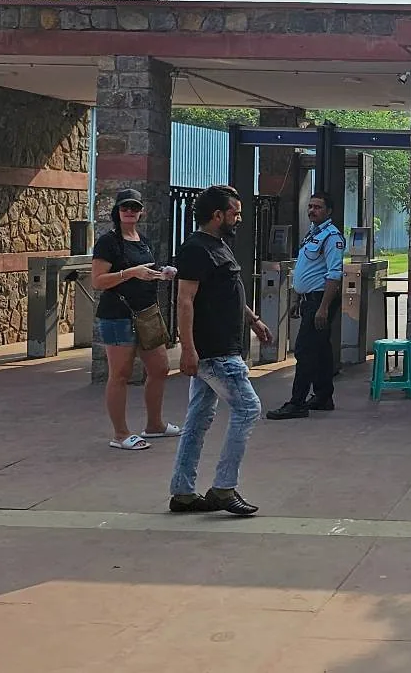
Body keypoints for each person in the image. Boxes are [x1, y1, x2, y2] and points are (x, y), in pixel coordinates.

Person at [168, 184, 273, 515]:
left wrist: (253, 320)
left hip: (220, 348)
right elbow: (184, 301)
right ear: (217, 215)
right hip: (214, 352)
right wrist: (188, 350)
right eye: (235, 213)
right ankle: (224, 488)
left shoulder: (218, 246)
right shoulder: (196, 249)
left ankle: (183, 492)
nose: (239, 219)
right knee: (248, 408)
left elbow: (228, 290)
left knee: (198, 417)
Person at [89, 189, 178, 451]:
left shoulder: (143, 241)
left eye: (134, 207)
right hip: (118, 315)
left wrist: (161, 274)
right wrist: (129, 273)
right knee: (121, 373)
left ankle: (155, 425)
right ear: (117, 211)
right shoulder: (108, 242)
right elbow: (98, 281)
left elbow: (145, 272)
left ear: (141, 211)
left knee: (160, 368)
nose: (130, 211)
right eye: (125, 207)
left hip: (147, 313)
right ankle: (120, 433)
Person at [267, 191, 346, 420]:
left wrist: (323, 307)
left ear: (328, 211)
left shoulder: (331, 237)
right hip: (308, 299)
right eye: (310, 206)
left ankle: (297, 402)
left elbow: (334, 274)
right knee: (320, 349)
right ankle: (323, 396)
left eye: (318, 207)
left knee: (304, 350)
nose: (312, 210)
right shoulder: (313, 235)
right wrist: (296, 299)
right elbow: (305, 271)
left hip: (320, 300)